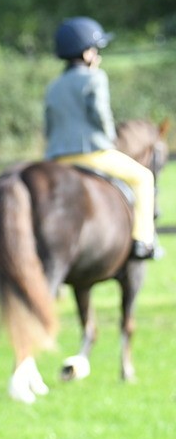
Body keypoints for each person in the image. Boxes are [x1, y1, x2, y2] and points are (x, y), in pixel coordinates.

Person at [44, 16, 158, 260]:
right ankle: (143, 240)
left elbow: (49, 125)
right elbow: (101, 115)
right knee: (144, 177)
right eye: (95, 50)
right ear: (86, 54)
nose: (97, 55)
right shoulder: (95, 77)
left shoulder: (53, 86)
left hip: (58, 158)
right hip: (92, 154)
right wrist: (110, 140)